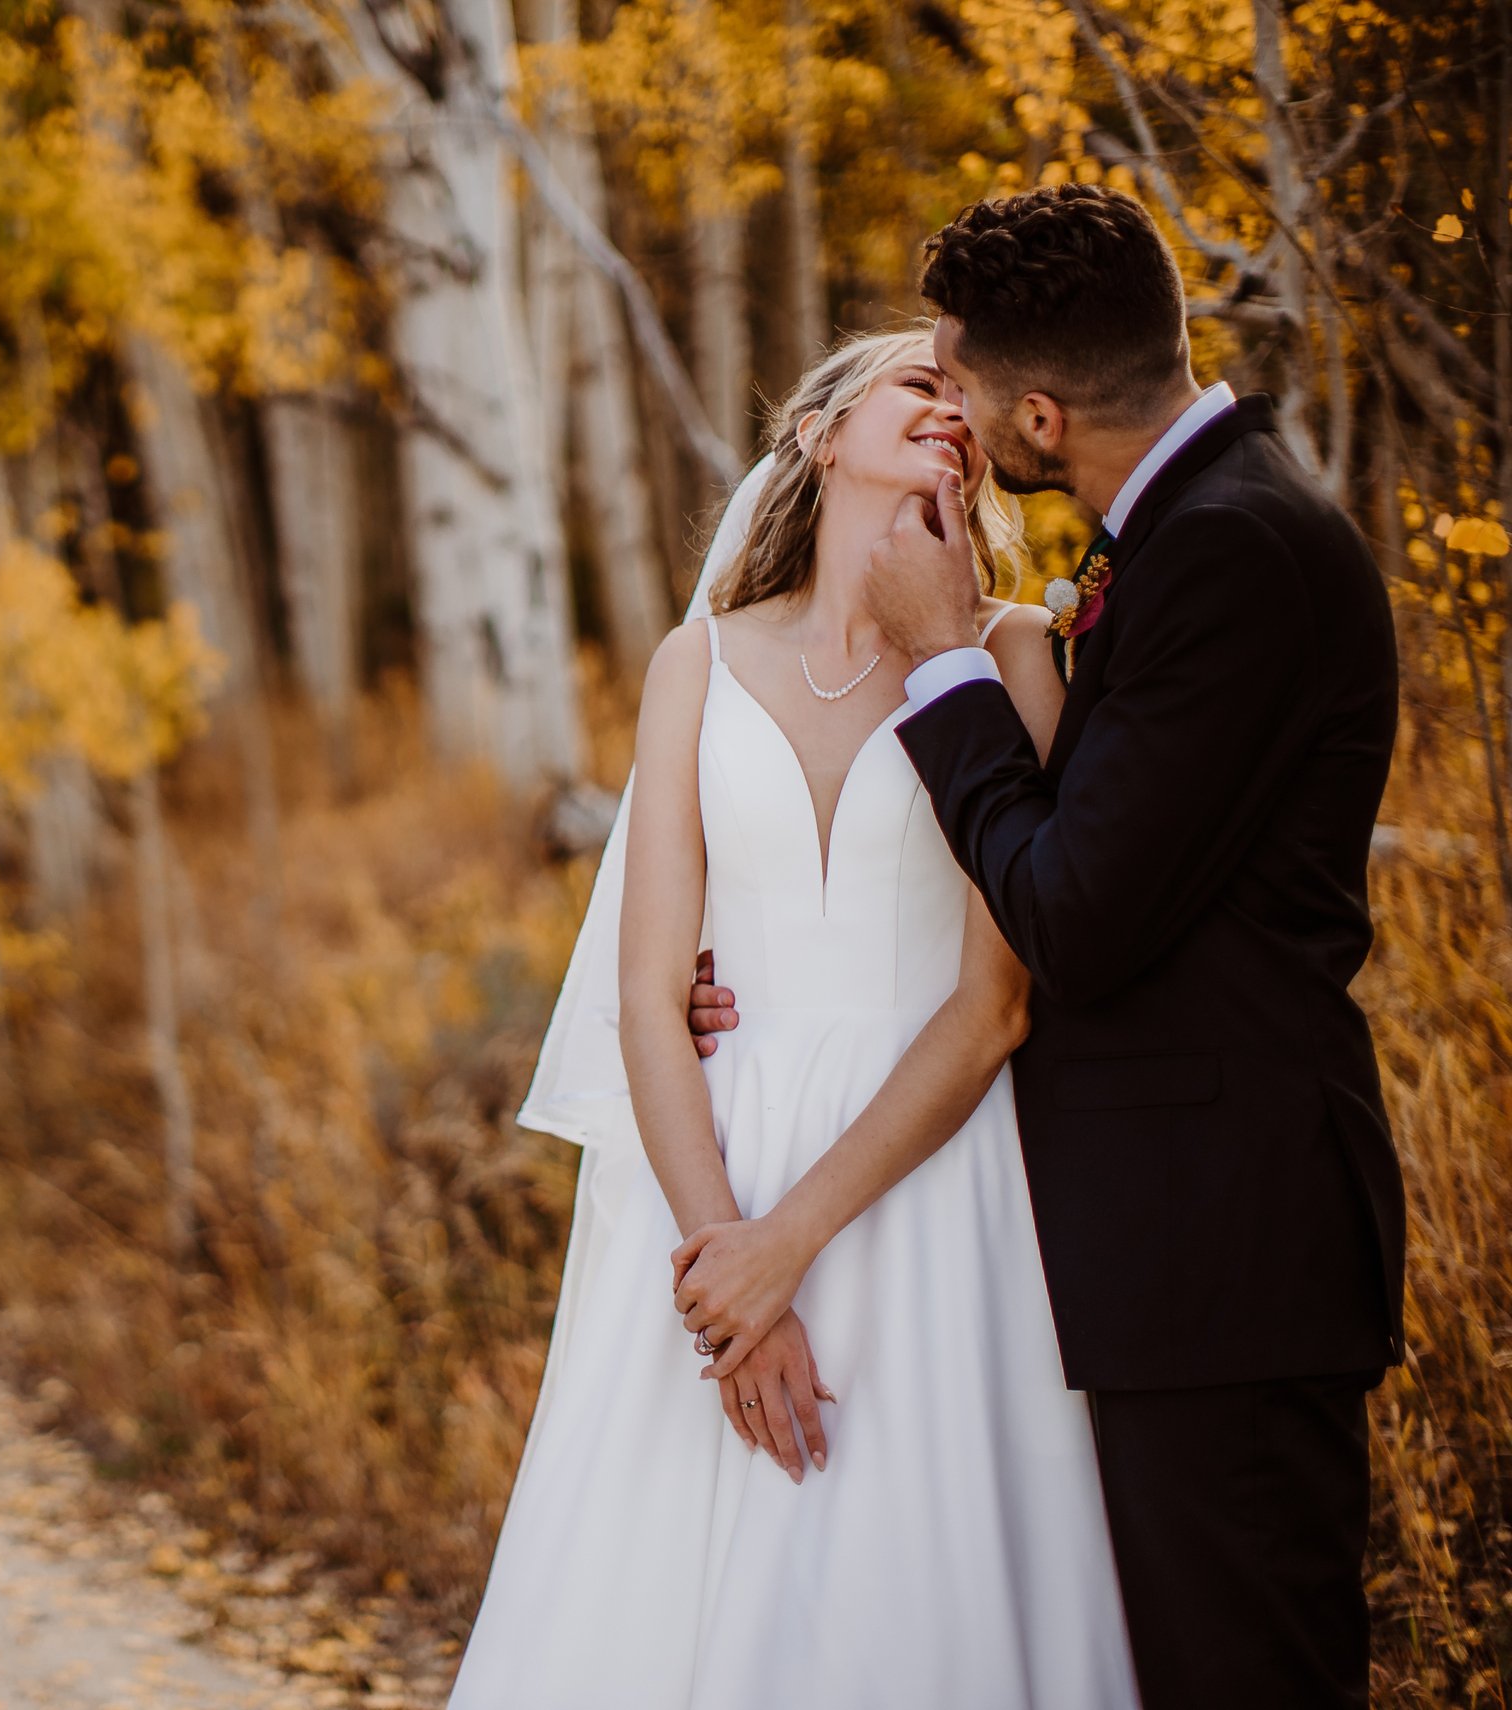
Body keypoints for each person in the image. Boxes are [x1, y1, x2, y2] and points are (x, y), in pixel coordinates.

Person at [448, 324, 1140, 1709]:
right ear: (823, 436)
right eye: (917, 384)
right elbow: (651, 1000)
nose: (951, 409)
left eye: (966, 397)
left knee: (904, 1587)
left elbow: (995, 1003)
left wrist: (789, 1247)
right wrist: (731, 1282)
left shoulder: (1015, 658)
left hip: (936, 1178)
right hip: (714, 1166)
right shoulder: (694, 667)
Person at [824, 182, 1397, 1710]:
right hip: (1170, 1251)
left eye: (958, 384)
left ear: (1035, 413)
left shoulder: (1236, 552)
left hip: (1228, 1245)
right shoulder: (1195, 528)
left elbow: (1075, 912)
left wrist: (948, 656)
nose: (947, 415)